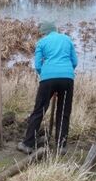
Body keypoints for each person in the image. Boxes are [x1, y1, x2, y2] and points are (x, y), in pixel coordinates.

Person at [17, 21, 77, 155]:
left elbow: (38, 65)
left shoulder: (42, 42)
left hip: (48, 79)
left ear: (44, 32)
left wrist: (46, 75)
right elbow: (74, 62)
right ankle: (61, 146)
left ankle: (27, 144)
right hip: (67, 78)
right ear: (55, 30)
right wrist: (65, 73)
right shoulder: (67, 40)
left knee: (39, 110)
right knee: (63, 112)